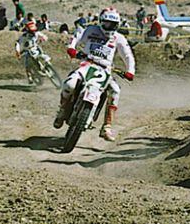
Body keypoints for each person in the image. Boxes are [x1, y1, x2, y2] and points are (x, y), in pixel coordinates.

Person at [54, 8, 135, 142]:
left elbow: (128, 55)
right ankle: (62, 111)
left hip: (105, 70)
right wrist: (72, 48)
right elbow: (77, 37)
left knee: (115, 91)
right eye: (107, 23)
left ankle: (107, 127)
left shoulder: (118, 38)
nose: (110, 27)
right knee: (69, 84)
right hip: (87, 64)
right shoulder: (91, 30)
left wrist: (130, 71)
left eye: (113, 24)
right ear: (101, 22)